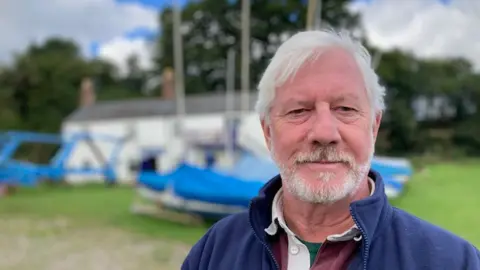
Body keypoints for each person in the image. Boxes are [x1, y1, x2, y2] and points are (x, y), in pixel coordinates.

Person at [181, 29, 480, 270]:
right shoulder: (213, 252)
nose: (324, 133)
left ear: (373, 127)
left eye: (346, 108)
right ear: (268, 131)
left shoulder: (455, 262)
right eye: (299, 110)